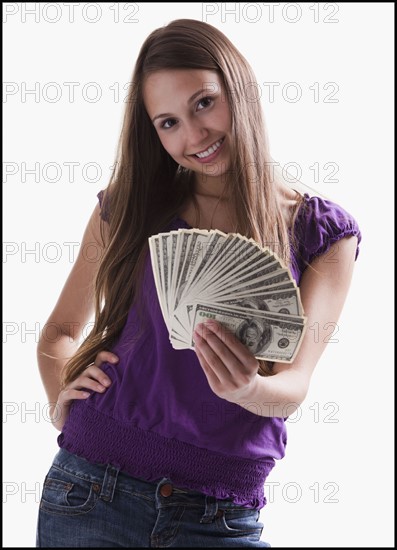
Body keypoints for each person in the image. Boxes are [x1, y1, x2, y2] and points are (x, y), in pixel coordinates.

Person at [36, 18, 362, 548]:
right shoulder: (130, 206)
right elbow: (59, 334)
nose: (193, 136)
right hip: (90, 491)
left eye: (203, 103)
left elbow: (293, 386)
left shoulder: (323, 236)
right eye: (167, 123)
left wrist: (250, 389)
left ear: (240, 88)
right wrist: (62, 403)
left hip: (220, 514)